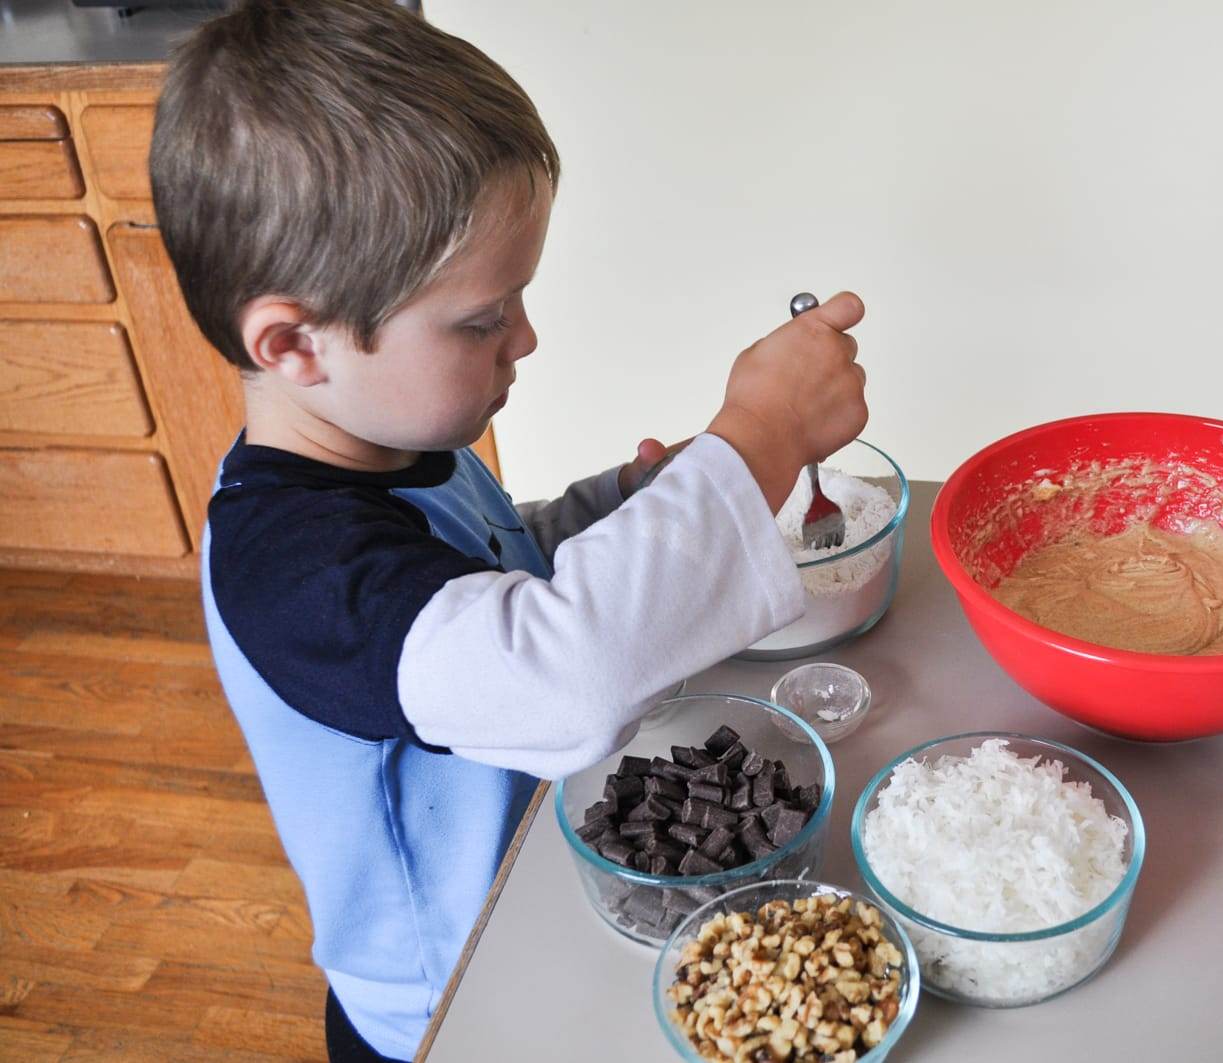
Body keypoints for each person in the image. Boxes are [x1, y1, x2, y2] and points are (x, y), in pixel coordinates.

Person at [147, 2, 867, 1058]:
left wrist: (621, 495)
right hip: (448, 1004)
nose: (524, 336)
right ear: (296, 343)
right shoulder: (288, 572)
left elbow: (495, 557)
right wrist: (755, 437)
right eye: (483, 318)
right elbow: (550, 669)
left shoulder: (385, 453)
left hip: (534, 905)